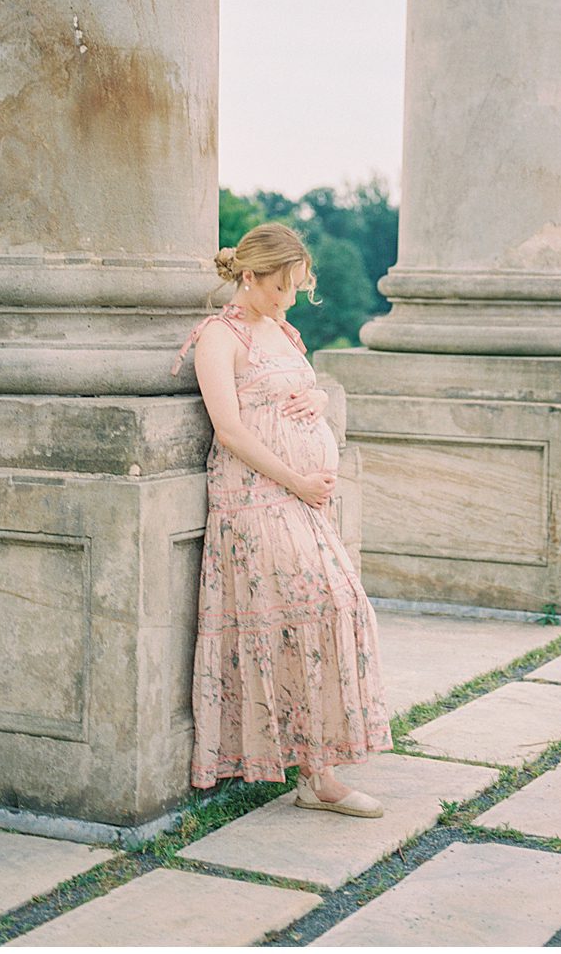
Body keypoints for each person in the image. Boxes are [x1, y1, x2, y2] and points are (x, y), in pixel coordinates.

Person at [170, 221, 393, 816]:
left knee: (341, 605)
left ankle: (317, 767)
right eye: (282, 287)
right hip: (255, 498)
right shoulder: (220, 337)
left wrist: (318, 400)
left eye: (296, 287)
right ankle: (314, 776)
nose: (289, 298)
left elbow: (304, 390)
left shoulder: (282, 330)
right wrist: (296, 478)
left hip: (300, 500)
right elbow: (230, 428)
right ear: (250, 276)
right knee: (313, 609)